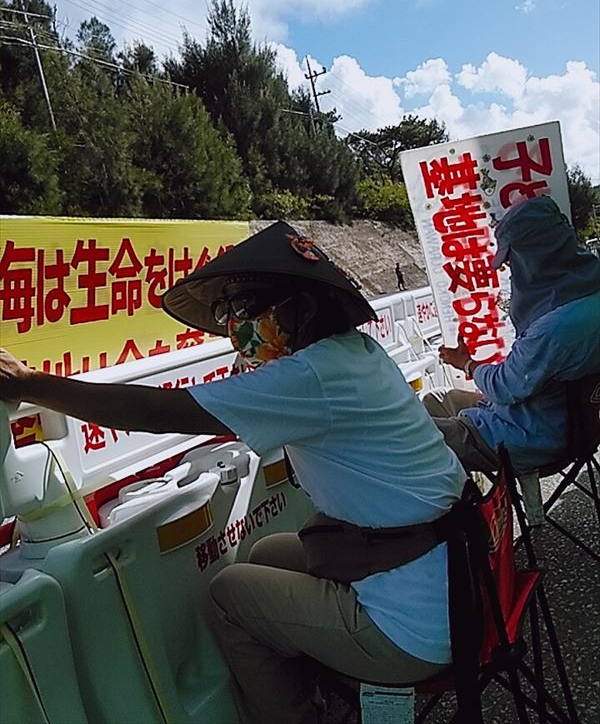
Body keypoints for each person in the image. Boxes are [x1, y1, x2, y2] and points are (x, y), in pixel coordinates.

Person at [0, 221, 467, 724]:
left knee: (229, 595)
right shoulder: (355, 352)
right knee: (267, 553)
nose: (235, 328)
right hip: (455, 578)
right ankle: (325, 690)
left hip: (412, 630)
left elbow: (159, 411)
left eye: (246, 309)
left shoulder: (310, 375)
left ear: (304, 309)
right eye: (227, 314)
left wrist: (30, 383)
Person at [422, 195, 600, 475]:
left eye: (511, 259)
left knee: (413, 439)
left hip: (529, 436)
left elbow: (504, 386)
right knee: (437, 399)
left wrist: (467, 364)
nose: (510, 270)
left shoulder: (554, 328)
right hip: (568, 420)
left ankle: (467, 502)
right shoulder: (587, 292)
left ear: (532, 257)